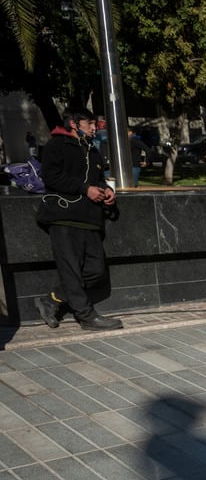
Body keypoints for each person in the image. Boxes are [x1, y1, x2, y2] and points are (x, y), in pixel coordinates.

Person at [33, 108, 123, 331]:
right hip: (63, 217)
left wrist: (105, 191)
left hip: (90, 219)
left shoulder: (93, 150)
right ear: (74, 123)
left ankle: (51, 299)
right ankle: (86, 317)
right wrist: (85, 189)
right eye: (90, 123)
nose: (94, 128)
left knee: (96, 271)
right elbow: (51, 177)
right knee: (71, 270)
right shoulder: (56, 145)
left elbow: (98, 179)